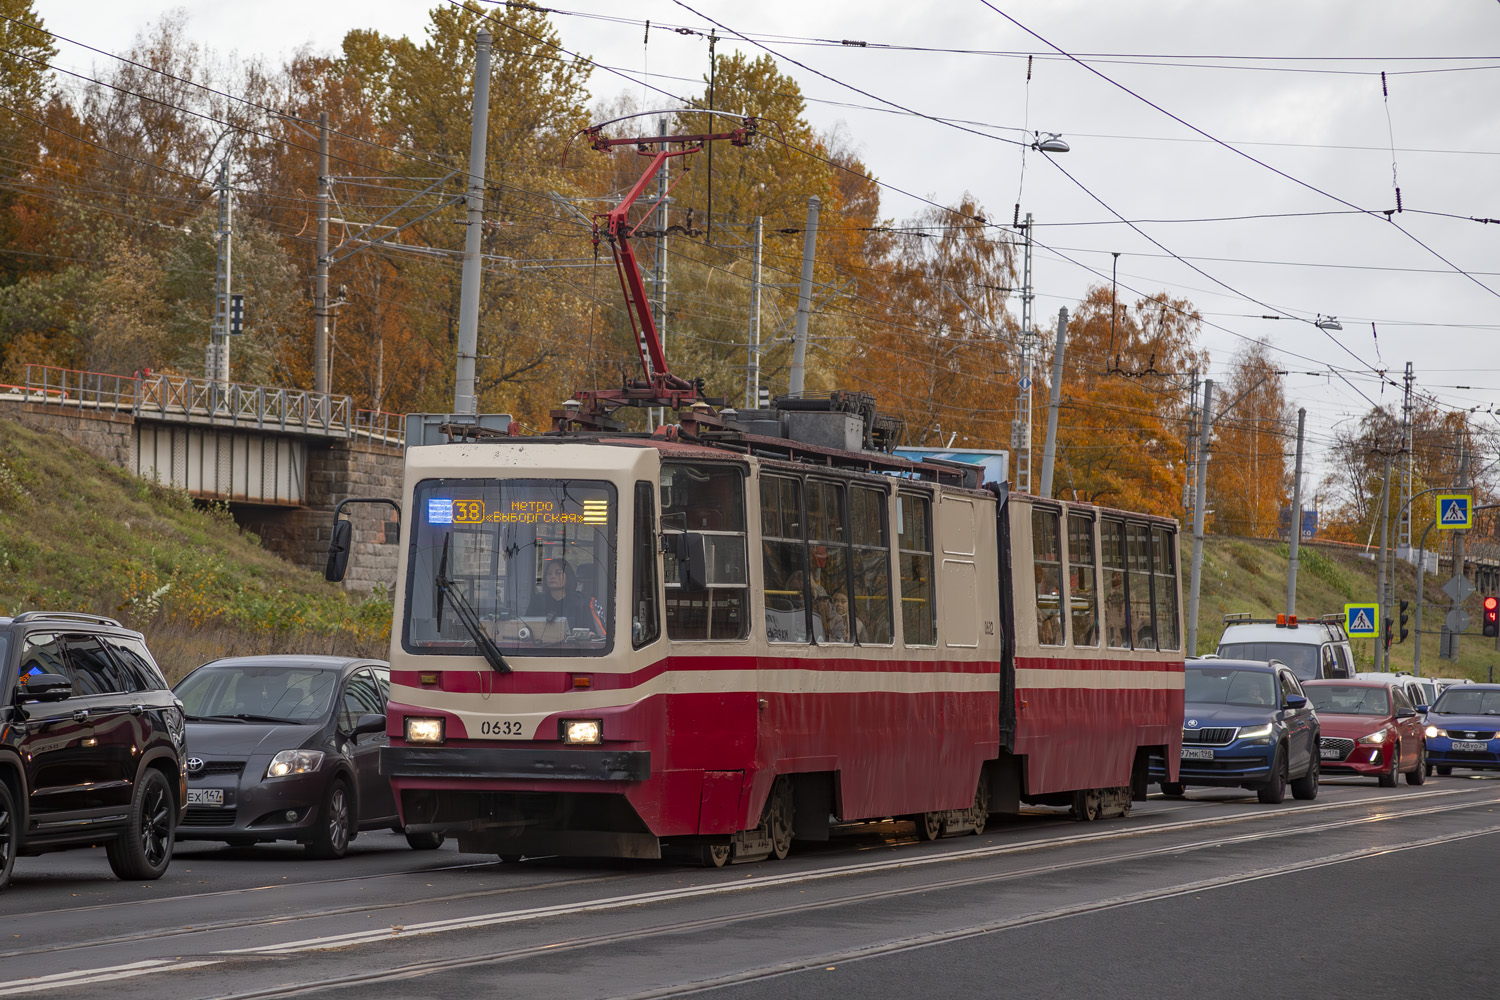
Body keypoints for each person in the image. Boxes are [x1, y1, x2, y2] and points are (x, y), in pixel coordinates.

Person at [528, 558, 605, 634]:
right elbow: (526, 628)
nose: (552, 576)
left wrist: (590, 635)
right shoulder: (538, 601)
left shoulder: (584, 601)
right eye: (549, 573)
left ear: (568, 576)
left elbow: (599, 635)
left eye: (558, 573)